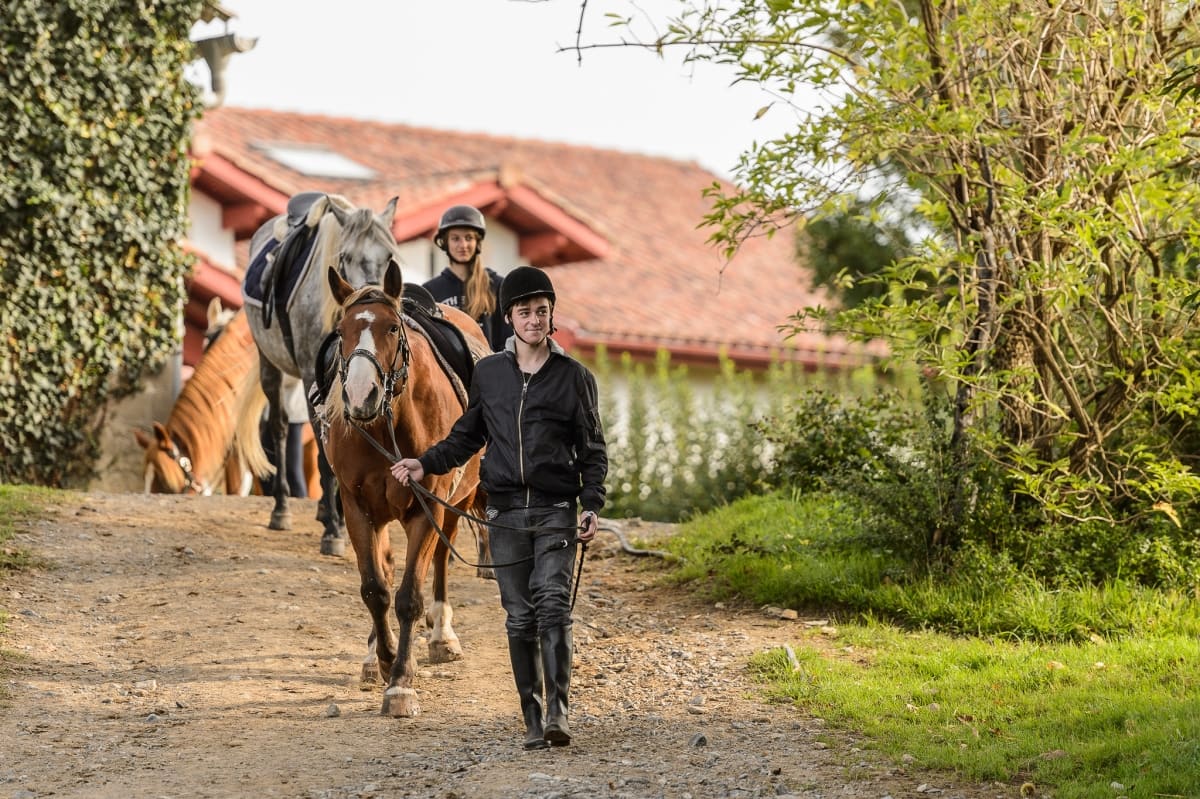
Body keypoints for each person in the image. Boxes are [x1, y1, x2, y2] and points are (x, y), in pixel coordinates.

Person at [391, 266, 607, 750]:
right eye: (525, 311)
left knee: (553, 606)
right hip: (504, 513)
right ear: (510, 318)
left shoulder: (575, 379)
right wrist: (424, 464)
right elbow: (468, 436)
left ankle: (558, 714)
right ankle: (531, 719)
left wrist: (590, 504)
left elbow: (592, 450)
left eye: (542, 311)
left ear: (551, 317)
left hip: (555, 510)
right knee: (519, 617)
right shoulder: (488, 374)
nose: (534, 319)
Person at [424, 204, 512, 351]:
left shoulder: (499, 286)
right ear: (445, 243)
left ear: (477, 242)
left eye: (469, 238)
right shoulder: (430, 292)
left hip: (490, 371)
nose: (463, 245)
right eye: (455, 238)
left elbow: (509, 341)